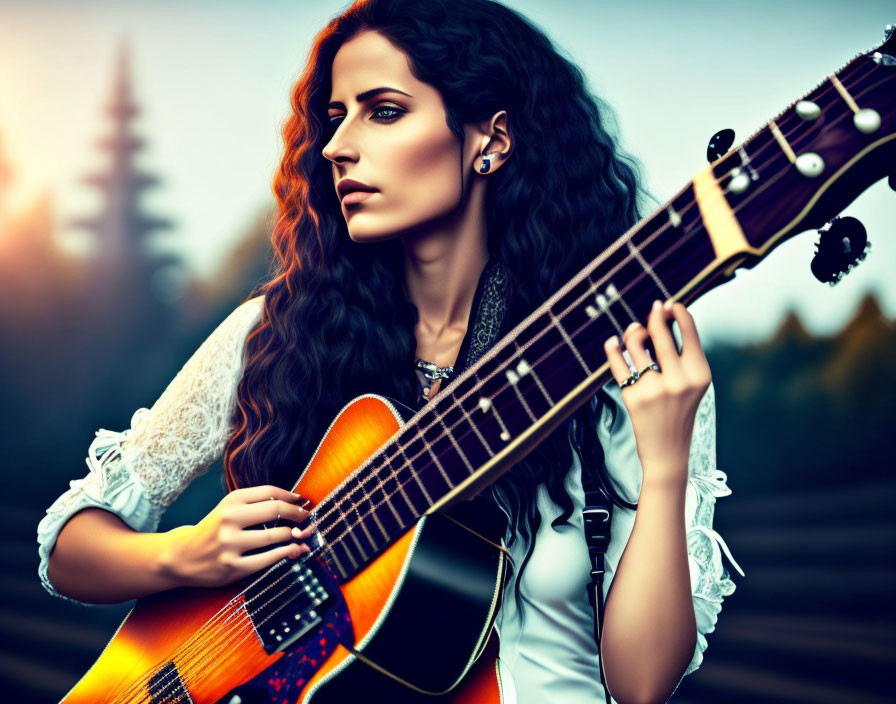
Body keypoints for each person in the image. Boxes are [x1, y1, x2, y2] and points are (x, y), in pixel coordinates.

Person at [37, 1, 743, 702]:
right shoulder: (277, 333)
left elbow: (642, 686)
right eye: (336, 116)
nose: (338, 146)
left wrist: (665, 465)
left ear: (489, 139)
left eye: (383, 111)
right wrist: (181, 554)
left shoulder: (625, 359)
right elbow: (71, 546)